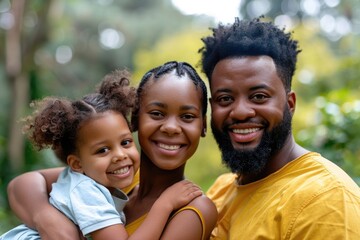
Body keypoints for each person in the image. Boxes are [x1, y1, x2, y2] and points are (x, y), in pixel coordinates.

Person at [6, 61, 218, 240]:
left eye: (188, 116)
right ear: (134, 120)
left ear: (203, 126)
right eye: (156, 113)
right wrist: (45, 217)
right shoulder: (113, 177)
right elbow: (22, 184)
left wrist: (163, 206)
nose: (171, 127)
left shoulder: (193, 209)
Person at [199, 17, 360, 239]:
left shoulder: (326, 199)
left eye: (259, 96)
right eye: (225, 99)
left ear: (290, 103)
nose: (240, 112)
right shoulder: (221, 190)